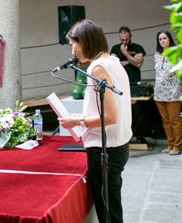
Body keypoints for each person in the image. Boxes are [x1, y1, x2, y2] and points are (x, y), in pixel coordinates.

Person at [59, 19, 132, 223]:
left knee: (108, 212)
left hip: (104, 150)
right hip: (118, 145)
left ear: (84, 42)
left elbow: (109, 116)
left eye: (73, 44)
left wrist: (78, 121)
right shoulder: (114, 62)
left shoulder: (97, 68)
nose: (72, 51)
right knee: (112, 207)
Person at [154, 31, 182, 156]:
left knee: (174, 120)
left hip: (173, 92)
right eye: (160, 39)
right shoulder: (157, 54)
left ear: (169, 39)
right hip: (159, 92)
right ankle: (170, 144)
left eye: (164, 38)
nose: (162, 41)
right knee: (165, 121)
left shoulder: (176, 52)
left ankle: (177, 146)